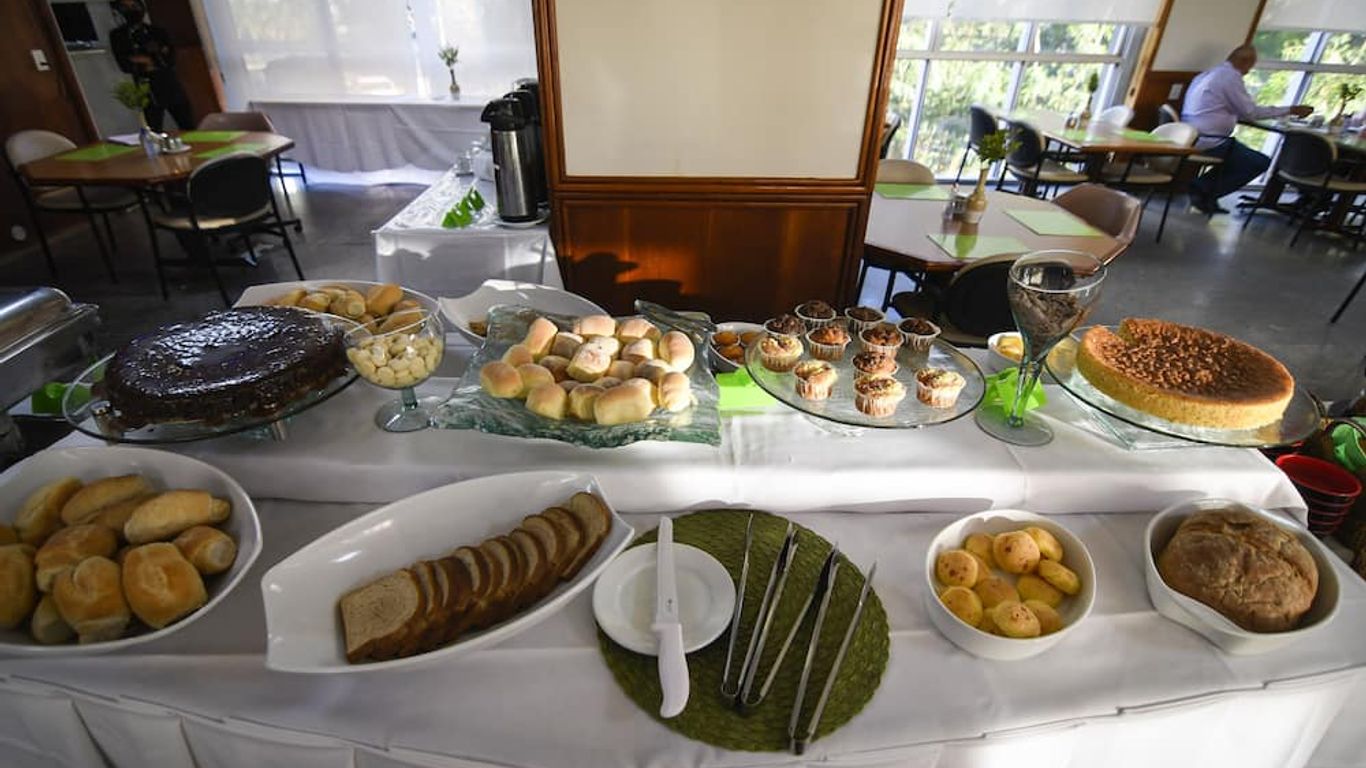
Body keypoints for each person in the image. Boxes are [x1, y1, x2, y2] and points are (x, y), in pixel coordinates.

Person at [1181, 45, 1313, 214]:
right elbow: (1250, 113)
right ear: (1244, 61)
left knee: (1241, 157)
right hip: (1210, 140)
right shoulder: (1230, 77)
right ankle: (1202, 189)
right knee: (1258, 162)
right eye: (1250, 66)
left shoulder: (1209, 74)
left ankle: (1204, 190)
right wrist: (1290, 110)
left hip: (1190, 134)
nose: (1248, 71)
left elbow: (1233, 109)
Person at [109, 0, 194, 131]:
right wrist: (151, 60)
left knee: (188, 125)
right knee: (153, 129)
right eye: (125, 8)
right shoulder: (118, 36)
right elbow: (125, 65)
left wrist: (148, 61)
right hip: (146, 89)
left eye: (134, 6)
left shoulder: (158, 32)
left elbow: (169, 60)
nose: (131, 10)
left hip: (169, 83)